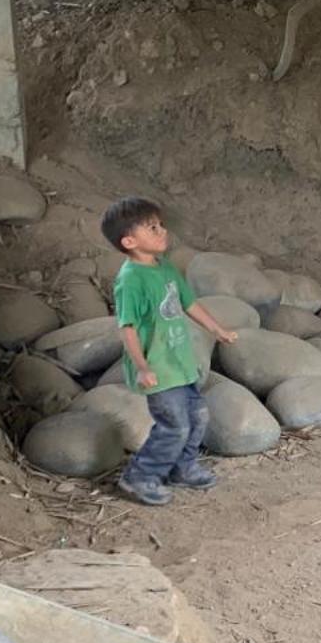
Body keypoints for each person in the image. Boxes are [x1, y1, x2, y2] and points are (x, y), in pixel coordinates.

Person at [101, 197, 240, 506]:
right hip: (159, 369)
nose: (163, 231)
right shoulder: (130, 281)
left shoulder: (164, 268)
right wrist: (141, 367)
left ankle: (183, 467)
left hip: (179, 362)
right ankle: (139, 477)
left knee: (198, 416)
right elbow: (128, 328)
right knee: (174, 426)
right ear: (129, 241)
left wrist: (217, 329)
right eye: (152, 228)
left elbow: (188, 302)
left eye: (161, 225)